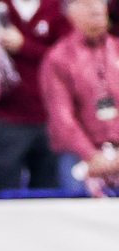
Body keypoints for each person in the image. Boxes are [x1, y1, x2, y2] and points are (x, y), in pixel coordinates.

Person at [0, 0, 67, 194]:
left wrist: (24, 46)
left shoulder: (55, 10)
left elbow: (68, 58)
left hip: (49, 118)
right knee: (3, 191)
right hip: (5, 119)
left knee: (49, 194)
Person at [38, 0, 119, 194]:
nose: (96, 8)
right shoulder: (58, 58)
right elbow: (62, 118)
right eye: (88, 3)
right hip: (80, 157)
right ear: (70, 13)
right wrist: (91, 155)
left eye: (100, 2)